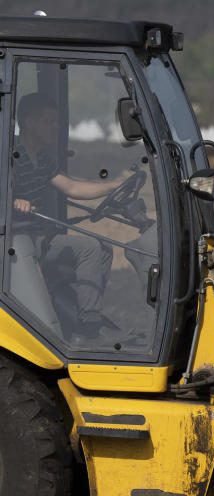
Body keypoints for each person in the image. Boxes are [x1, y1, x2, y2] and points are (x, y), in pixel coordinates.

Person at [11, 92, 126, 339]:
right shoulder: (10, 155)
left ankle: (75, 313)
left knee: (103, 249)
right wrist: (13, 202)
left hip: (40, 237)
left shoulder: (41, 158)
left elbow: (72, 188)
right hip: (18, 243)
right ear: (30, 123)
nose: (57, 127)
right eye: (50, 121)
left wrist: (113, 186)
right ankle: (88, 325)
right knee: (89, 248)